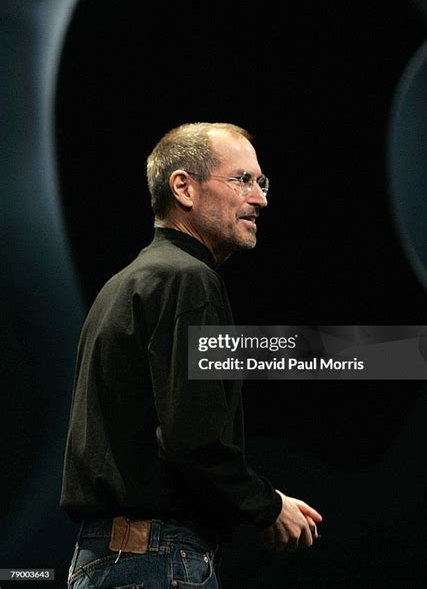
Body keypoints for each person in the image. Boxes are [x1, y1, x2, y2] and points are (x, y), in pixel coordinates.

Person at [61, 122, 322, 588]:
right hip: (158, 560)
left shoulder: (128, 282)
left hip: (109, 559)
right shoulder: (189, 280)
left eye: (261, 183)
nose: (260, 199)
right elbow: (192, 438)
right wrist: (267, 506)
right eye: (243, 180)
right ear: (183, 187)